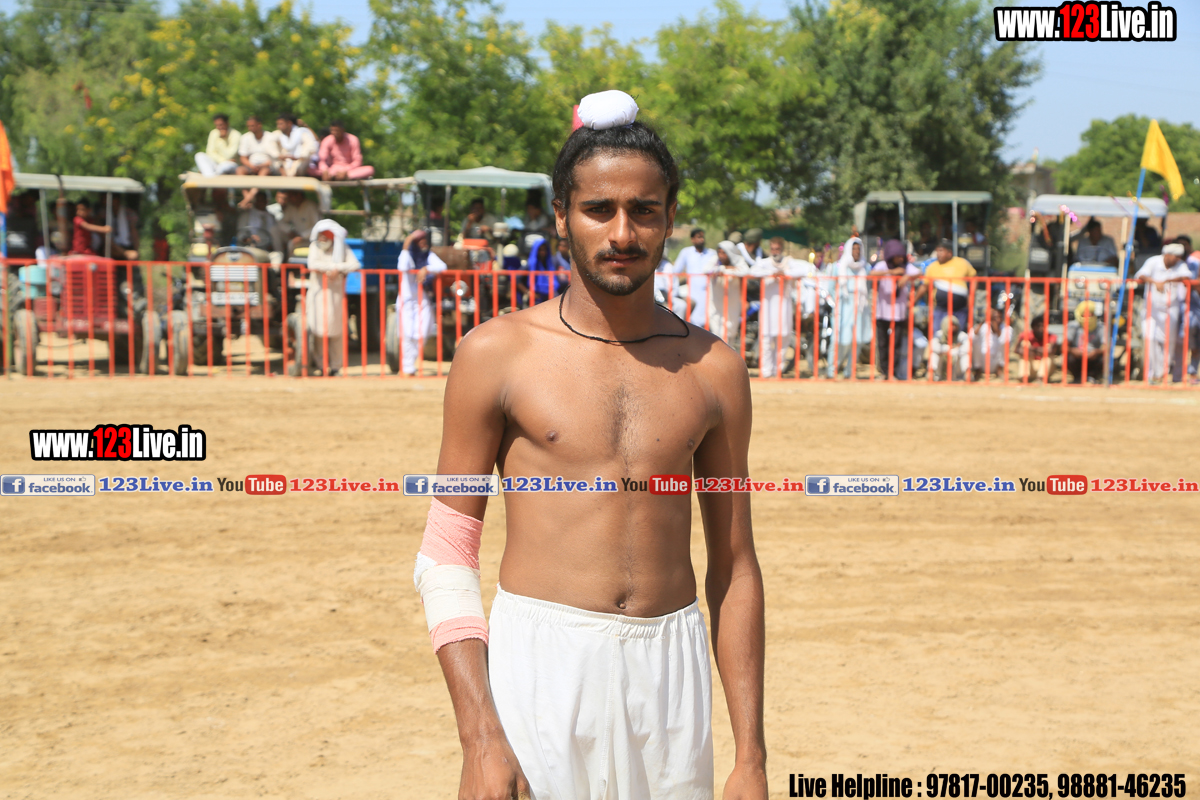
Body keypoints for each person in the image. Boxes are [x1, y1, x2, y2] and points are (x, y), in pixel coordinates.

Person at [416, 90, 766, 800]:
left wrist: (751, 757)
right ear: (561, 217)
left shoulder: (715, 369)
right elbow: (446, 554)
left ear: (670, 218)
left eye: (644, 210)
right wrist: (480, 737)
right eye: (598, 209)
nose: (622, 232)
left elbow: (734, 567)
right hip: (541, 669)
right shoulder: (496, 354)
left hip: (671, 680)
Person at [290, 220, 359, 376]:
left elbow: (355, 264)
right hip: (318, 295)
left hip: (336, 297)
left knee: (337, 332)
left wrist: (337, 269)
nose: (321, 239)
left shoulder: (342, 248)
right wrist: (331, 269)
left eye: (324, 236)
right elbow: (313, 264)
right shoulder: (315, 247)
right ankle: (321, 366)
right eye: (320, 236)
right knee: (317, 331)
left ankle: (335, 367)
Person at [749, 237, 809, 378]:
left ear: (781, 249)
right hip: (767, 308)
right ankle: (766, 371)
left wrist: (785, 274)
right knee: (766, 339)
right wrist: (771, 274)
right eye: (773, 249)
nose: (775, 252)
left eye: (777, 249)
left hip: (784, 308)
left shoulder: (789, 262)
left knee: (783, 339)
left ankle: (778, 371)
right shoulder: (764, 263)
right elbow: (753, 271)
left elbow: (802, 271)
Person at [1133, 241, 1191, 382]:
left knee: (1168, 342)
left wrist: (1166, 280)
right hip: (1151, 308)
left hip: (1171, 309)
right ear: (1167, 254)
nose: (1177, 260)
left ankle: (1162, 374)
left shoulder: (1180, 265)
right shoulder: (1153, 261)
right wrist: (1155, 282)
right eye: (1175, 257)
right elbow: (1140, 275)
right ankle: (1153, 373)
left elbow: (1187, 276)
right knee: (1150, 338)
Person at [396, 229, 447, 376]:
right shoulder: (407, 254)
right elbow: (402, 266)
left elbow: (442, 266)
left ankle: (410, 365)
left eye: (425, 240)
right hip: (406, 299)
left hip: (421, 298)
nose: (423, 244)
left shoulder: (427, 255)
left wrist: (426, 269)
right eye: (420, 241)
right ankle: (407, 368)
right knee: (407, 334)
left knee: (423, 331)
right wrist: (408, 241)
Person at [872, 238, 919, 380]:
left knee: (896, 344)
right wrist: (892, 272)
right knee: (882, 343)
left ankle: (893, 372)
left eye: (901, 256)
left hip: (898, 312)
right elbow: (872, 273)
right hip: (882, 311)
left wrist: (906, 276)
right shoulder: (883, 265)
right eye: (897, 256)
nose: (900, 259)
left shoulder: (906, 267)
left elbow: (919, 272)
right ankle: (884, 372)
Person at [826, 235, 872, 378]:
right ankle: (832, 370)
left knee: (857, 340)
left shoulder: (865, 267)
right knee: (839, 340)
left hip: (860, 306)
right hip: (843, 306)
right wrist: (837, 303)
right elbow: (831, 287)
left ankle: (849, 371)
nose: (856, 252)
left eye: (859, 249)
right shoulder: (838, 267)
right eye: (854, 249)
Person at [924, 239, 976, 335]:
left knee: (959, 335)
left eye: (941, 251)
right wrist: (913, 300)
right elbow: (925, 286)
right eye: (937, 251)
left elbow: (974, 279)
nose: (938, 254)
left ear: (949, 253)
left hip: (960, 309)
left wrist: (972, 296)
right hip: (940, 309)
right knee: (938, 335)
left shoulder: (962, 263)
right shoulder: (932, 267)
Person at [672, 228, 719, 328]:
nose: (701, 239)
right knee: (694, 320)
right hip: (693, 291)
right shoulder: (686, 252)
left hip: (709, 291)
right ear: (692, 239)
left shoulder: (712, 253)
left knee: (710, 318)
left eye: (702, 237)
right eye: (698, 237)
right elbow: (675, 271)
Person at [236, 115, 282, 208]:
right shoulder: (245, 137)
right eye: (249, 126)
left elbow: (274, 157)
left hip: (267, 166)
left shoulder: (270, 137)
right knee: (239, 170)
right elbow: (243, 158)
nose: (250, 128)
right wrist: (251, 166)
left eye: (252, 126)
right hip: (251, 166)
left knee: (264, 171)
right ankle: (247, 197)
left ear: (259, 125)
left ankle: (248, 199)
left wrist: (262, 165)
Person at [1064, 301, 1106, 384]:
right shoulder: (1072, 326)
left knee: (1105, 358)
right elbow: (1064, 346)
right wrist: (1073, 351)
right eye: (1085, 314)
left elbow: (1106, 346)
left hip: (1094, 358)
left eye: (1091, 314)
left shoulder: (1101, 327)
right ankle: (1078, 378)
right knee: (1068, 358)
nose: (1088, 316)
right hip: (1077, 358)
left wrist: (1096, 352)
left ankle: (1092, 377)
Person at [972, 306, 1013, 379]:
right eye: (995, 317)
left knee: (1005, 345)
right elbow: (971, 337)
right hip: (982, 362)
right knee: (975, 342)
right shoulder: (983, 326)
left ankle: (999, 370)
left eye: (999, 317)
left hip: (996, 363)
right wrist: (984, 320)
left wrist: (997, 330)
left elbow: (1004, 342)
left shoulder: (1007, 328)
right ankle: (977, 370)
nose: (997, 319)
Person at [278, 190, 320, 259]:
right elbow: (281, 222)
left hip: (311, 239)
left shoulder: (311, 206)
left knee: (292, 243)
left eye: (291, 196)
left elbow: (317, 226)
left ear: (298, 195)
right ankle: (281, 258)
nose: (289, 199)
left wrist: (302, 236)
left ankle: (291, 263)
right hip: (296, 236)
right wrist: (289, 230)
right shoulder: (291, 207)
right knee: (275, 231)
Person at [928, 316, 971, 381]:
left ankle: (967, 374)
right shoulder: (938, 334)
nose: (953, 327)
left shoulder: (962, 335)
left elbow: (967, 348)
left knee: (966, 355)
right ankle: (932, 374)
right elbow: (933, 347)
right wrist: (951, 347)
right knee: (933, 354)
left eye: (955, 325)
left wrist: (951, 352)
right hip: (942, 363)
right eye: (950, 325)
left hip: (956, 366)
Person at [1018, 315, 1057, 382]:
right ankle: (1024, 376)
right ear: (1033, 327)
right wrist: (1039, 351)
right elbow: (1017, 350)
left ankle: (1041, 377)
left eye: (1043, 326)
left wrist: (1032, 349)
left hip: (1045, 367)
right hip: (1031, 365)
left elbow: (1050, 350)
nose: (1041, 328)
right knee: (1025, 344)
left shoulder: (1051, 337)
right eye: (1038, 326)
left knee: (1048, 353)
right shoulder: (1024, 335)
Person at [111, 195, 139, 260]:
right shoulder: (103, 213)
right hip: (112, 247)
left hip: (126, 245)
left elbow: (134, 231)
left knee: (134, 255)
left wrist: (136, 249)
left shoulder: (129, 213)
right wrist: (124, 252)